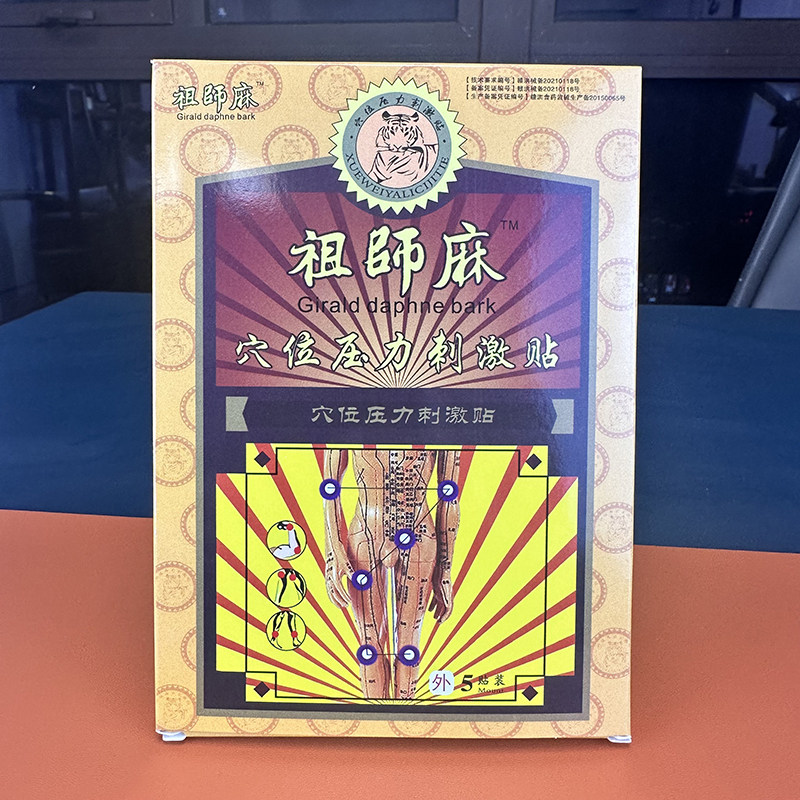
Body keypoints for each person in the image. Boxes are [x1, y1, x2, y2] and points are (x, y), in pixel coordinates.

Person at [322, 448, 459, 699]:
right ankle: (376, 718)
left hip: (415, 535)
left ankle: (403, 717)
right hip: (367, 533)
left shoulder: (445, 423)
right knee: (370, 643)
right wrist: (333, 552)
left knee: (408, 643)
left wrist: (445, 569)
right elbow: (330, 486)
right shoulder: (346, 418)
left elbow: (449, 497)